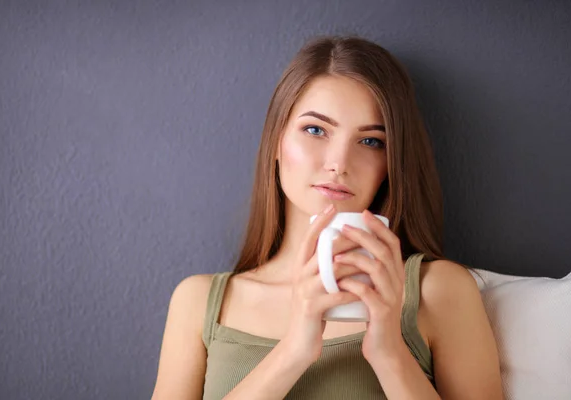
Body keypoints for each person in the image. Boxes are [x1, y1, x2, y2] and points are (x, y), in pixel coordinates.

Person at [151, 35, 504, 399]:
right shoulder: (198, 301)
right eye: (315, 130)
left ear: (390, 164)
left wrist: (388, 351)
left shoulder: (438, 290)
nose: (338, 163)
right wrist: (294, 350)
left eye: (371, 141)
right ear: (276, 140)